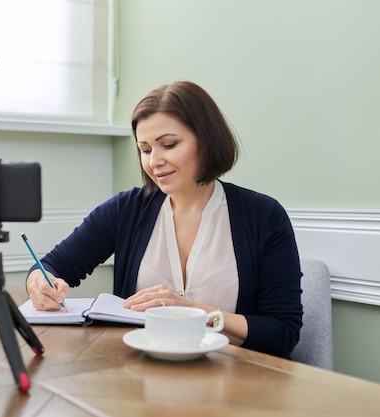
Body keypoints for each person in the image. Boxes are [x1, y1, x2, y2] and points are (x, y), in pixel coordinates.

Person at [25, 81, 303, 358]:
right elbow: (53, 265)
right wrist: (39, 282)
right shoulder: (126, 210)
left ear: (206, 139)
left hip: (235, 381)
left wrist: (191, 310)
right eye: (145, 149)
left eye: (168, 144)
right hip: (140, 379)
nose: (154, 161)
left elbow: (282, 333)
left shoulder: (264, 216)